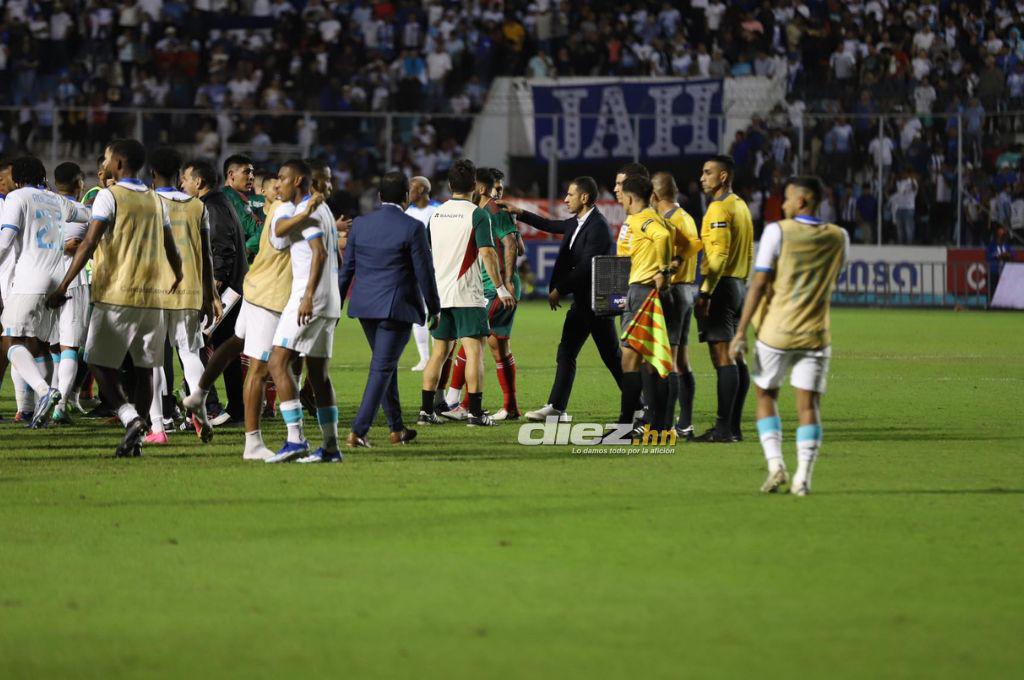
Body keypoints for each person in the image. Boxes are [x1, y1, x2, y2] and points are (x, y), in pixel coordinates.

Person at [46, 140, 184, 457]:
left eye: (108, 159)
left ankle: (129, 416)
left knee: (96, 360)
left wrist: (64, 284)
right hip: (152, 297)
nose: (104, 164)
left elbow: (89, 242)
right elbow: (170, 245)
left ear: (119, 164)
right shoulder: (155, 199)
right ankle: (137, 438)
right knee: (145, 369)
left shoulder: (109, 196)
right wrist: (177, 274)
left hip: (117, 293)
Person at [728, 176, 849, 496]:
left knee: (766, 396)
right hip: (816, 334)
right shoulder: (840, 236)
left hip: (775, 333)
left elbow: (759, 283)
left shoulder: (777, 231)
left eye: (786, 199)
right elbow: (833, 277)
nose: (782, 205)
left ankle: (776, 465)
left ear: (801, 201)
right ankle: (803, 478)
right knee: (808, 407)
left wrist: (740, 331)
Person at [183, 176, 296, 460]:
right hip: (269, 295)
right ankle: (257, 442)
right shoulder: (288, 211)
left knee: (235, 343)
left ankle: (199, 394)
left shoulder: (278, 208)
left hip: (254, 287)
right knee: (264, 366)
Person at [503, 177, 623, 422]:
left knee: (611, 358)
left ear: (584, 198)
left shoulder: (598, 226)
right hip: (583, 304)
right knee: (567, 352)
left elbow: (587, 266)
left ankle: (640, 404)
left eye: (570, 195)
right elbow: (549, 224)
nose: (566, 199)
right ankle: (557, 408)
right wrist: (520, 213)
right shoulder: (578, 222)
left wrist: (560, 289)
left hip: (596, 305)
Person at [339, 171, 440, 447]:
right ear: (406, 197)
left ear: (380, 196)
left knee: (386, 365)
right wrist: (435, 308)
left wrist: (335, 307)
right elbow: (425, 272)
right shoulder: (413, 227)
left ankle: (397, 428)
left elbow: (347, 270)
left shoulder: (361, 224)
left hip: (364, 307)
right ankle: (358, 431)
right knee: (382, 367)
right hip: (396, 308)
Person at [417, 158, 514, 427]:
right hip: (467, 295)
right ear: (474, 185)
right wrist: (500, 287)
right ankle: (476, 414)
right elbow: (487, 253)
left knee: (439, 352)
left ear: (449, 185)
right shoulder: (477, 214)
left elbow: (426, 254)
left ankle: (425, 412)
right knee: (474, 352)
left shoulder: (436, 214)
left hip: (440, 294)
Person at [1, 156, 91, 428]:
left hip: (30, 279)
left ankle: (44, 392)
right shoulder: (56, 200)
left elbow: (5, 241)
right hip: (57, 282)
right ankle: (45, 407)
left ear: (17, 178)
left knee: (10, 340)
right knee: (40, 344)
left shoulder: (17, 198)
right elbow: (87, 214)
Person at [263, 160, 343, 463]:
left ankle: (295, 439)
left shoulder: (308, 209)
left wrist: (308, 296)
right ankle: (330, 446)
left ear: (297, 180)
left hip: (309, 299)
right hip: (330, 300)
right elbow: (332, 257)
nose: (278, 184)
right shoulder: (321, 210)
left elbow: (318, 253)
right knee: (319, 375)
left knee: (277, 362)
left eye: (282, 178)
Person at [144, 147, 218, 445]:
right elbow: (207, 254)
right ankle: (201, 416)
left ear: (152, 174)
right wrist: (211, 294)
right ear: (178, 174)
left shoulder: (148, 202)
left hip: (154, 290)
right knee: (189, 352)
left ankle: (158, 427)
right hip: (189, 289)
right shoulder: (198, 206)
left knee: (152, 360)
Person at [442, 167, 523, 421]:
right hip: (492, 286)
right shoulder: (483, 212)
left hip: (494, 288)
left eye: (500, 188)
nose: (499, 192)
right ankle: (510, 407)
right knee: (498, 347)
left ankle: (457, 402)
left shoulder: (493, 211)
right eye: (497, 187)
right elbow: (518, 243)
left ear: (478, 188)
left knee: (471, 337)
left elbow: (512, 244)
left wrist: (505, 282)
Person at [181, 158, 248, 426]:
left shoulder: (212, 207)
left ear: (198, 182)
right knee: (225, 350)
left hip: (224, 294)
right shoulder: (219, 202)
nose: (182, 184)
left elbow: (222, 250)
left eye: (185, 179)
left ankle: (208, 406)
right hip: (231, 291)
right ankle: (237, 409)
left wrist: (213, 293)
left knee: (194, 344)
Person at [694, 154, 753, 443]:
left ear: (723, 176)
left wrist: (706, 291)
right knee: (736, 357)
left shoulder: (718, 208)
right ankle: (734, 427)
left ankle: (722, 429)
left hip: (722, 287)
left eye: (708, 172)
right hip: (739, 285)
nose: (702, 178)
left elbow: (717, 256)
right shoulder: (740, 205)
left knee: (723, 356)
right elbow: (747, 251)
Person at [612, 174, 672, 434]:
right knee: (651, 361)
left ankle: (625, 427)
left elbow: (663, 237)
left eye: (621, 195)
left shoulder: (641, 219)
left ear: (630, 198)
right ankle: (658, 426)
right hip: (648, 292)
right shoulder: (654, 216)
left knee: (629, 361)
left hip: (641, 292)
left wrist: (664, 270)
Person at [651, 171, 703, 440]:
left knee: (668, 361)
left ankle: (666, 424)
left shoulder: (673, 220)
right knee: (682, 360)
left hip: (674, 292)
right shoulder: (686, 217)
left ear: (655, 195)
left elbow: (679, 255)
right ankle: (685, 423)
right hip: (687, 291)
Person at [48, 162, 91, 424]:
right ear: (79, 184)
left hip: (44, 279)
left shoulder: (44, 208)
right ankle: (60, 405)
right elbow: (97, 245)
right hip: (73, 281)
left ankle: (37, 402)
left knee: (52, 345)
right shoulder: (85, 213)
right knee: (70, 346)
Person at [405, 175, 439, 372]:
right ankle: (424, 358)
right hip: (414, 268)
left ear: (420, 190)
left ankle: (438, 356)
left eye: (411, 188)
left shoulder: (438, 211)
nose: (408, 192)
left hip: (436, 269)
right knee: (419, 311)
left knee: (436, 311)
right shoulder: (407, 212)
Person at [221, 154, 262, 259]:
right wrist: (247, 248)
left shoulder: (224, 195)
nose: (252, 177)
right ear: (231, 175)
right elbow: (256, 231)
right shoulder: (232, 198)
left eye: (252, 172)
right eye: (247, 172)